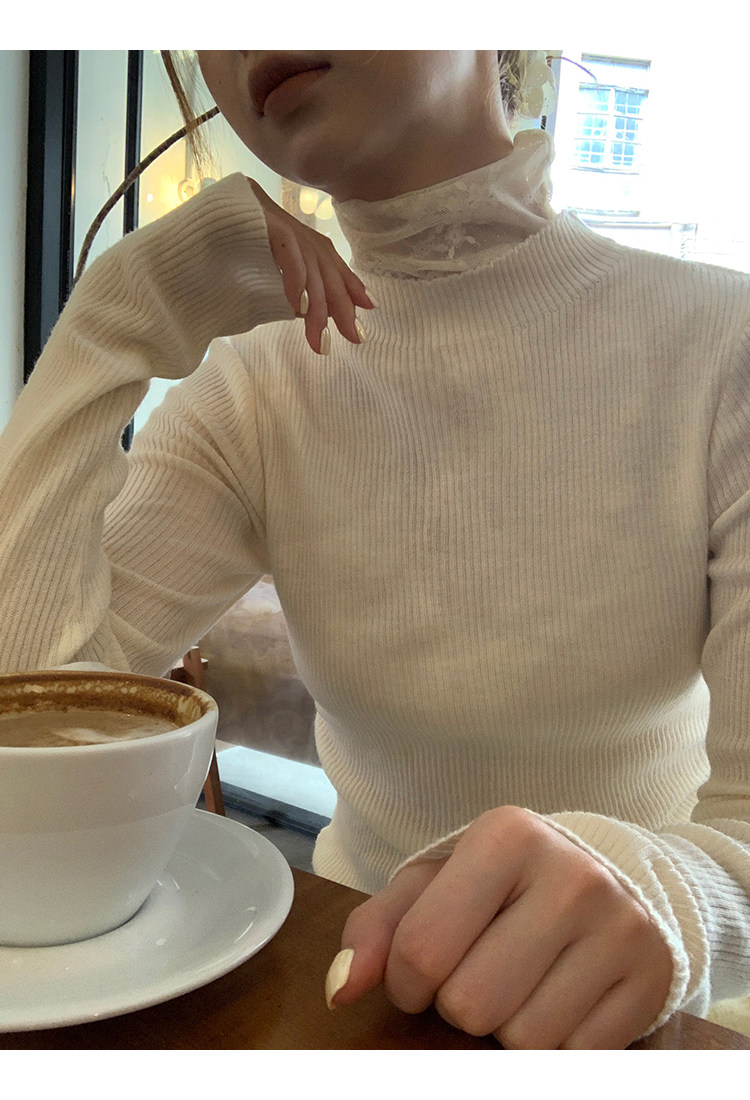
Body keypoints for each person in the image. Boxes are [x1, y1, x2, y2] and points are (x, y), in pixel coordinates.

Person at [1, 49, 750, 1049]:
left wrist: (671, 893)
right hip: (348, 995)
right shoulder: (253, 386)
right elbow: (27, 734)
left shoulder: (723, 343)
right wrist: (120, 313)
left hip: (647, 1022)